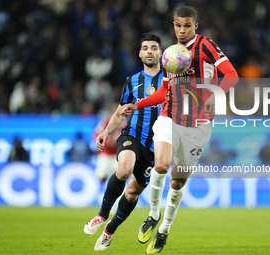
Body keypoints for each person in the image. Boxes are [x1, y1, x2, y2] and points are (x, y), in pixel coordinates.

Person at [122, 6, 239, 253]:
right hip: (170, 116)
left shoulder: (205, 45)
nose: (182, 30)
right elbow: (165, 91)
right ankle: (153, 214)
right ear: (173, 25)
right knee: (161, 165)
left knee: (177, 182)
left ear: (195, 26)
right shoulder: (171, 54)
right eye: (178, 25)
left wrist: (215, 93)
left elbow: (231, 75)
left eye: (187, 25)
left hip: (198, 124)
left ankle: (164, 229)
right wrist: (138, 105)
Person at [83, 33, 164, 251]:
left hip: (156, 147)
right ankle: (101, 215)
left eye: (154, 47)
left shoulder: (171, 80)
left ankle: (110, 230)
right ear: (140, 53)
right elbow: (120, 112)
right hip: (132, 136)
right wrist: (106, 132)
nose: (149, 51)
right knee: (124, 169)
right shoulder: (132, 81)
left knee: (132, 193)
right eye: (145, 47)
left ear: (160, 53)